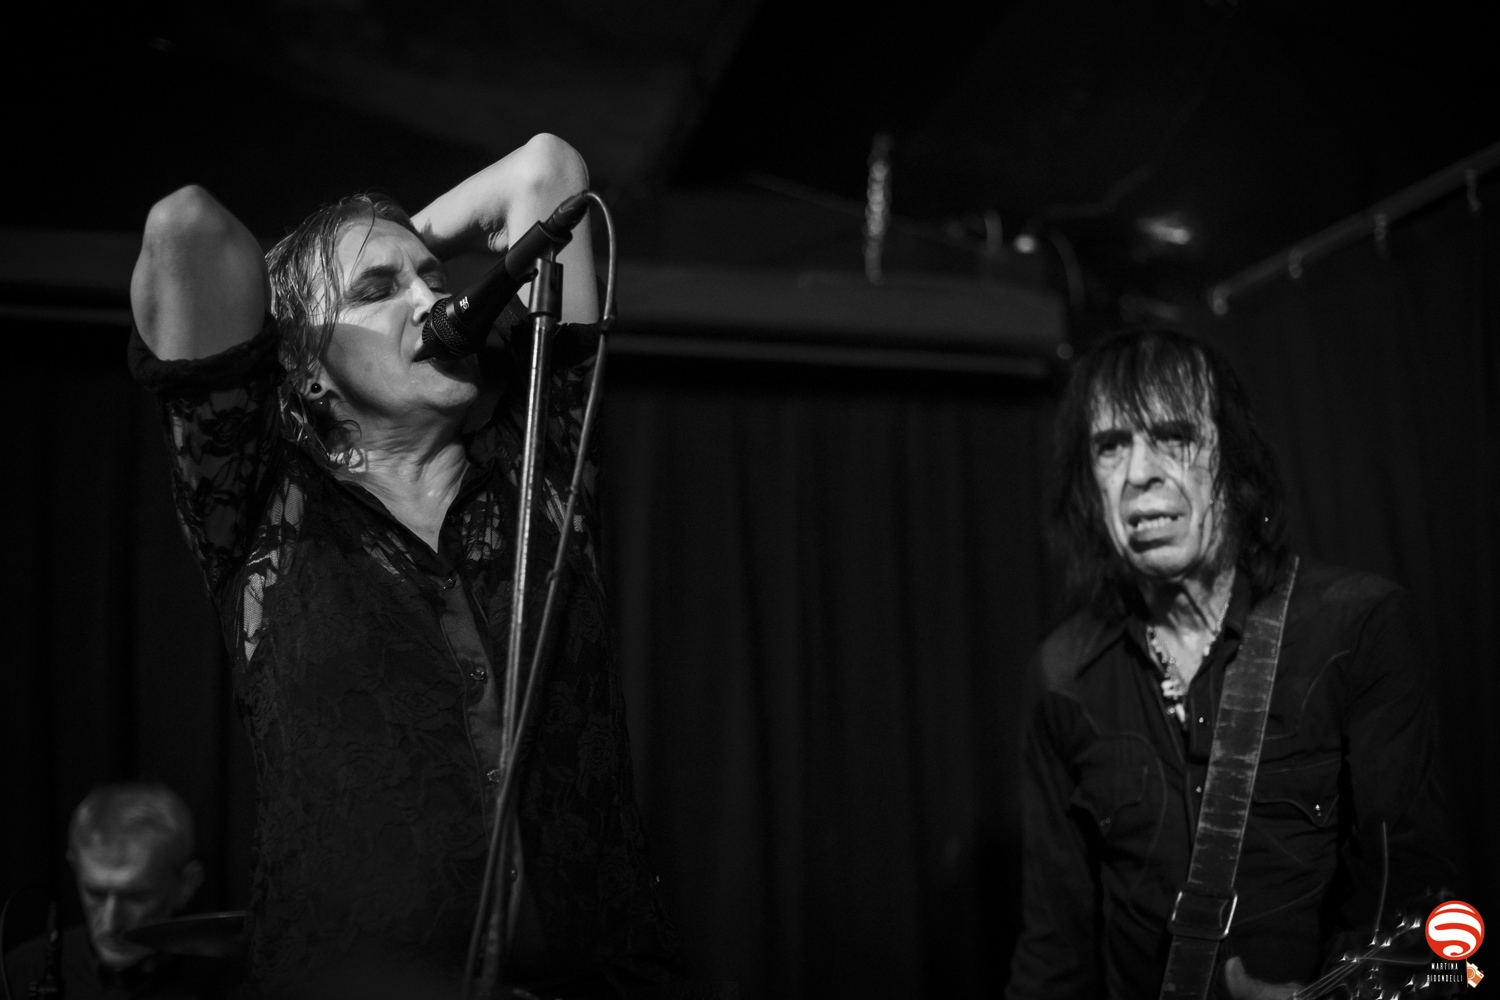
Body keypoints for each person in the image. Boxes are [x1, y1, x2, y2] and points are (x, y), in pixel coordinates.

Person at [126, 133, 678, 997]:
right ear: (303, 365)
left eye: (436, 278)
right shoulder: (264, 510)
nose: (432, 299)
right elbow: (187, 230)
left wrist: (394, 243)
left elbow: (548, 173)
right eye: (377, 290)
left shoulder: (538, 471)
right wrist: (301, 295)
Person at [1005, 329, 1458, 999]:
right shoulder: (1064, 677)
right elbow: (1053, 954)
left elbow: (1422, 910)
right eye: (1111, 446)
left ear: (1232, 458)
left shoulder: (1357, 628)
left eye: (1173, 436)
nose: (1138, 473)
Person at [3, 782, 237, 999]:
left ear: (187, 885)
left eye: (136, 897)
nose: (110, 925)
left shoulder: (236, 983)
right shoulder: (21, 973)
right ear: (75, 869)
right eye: (95, 893)